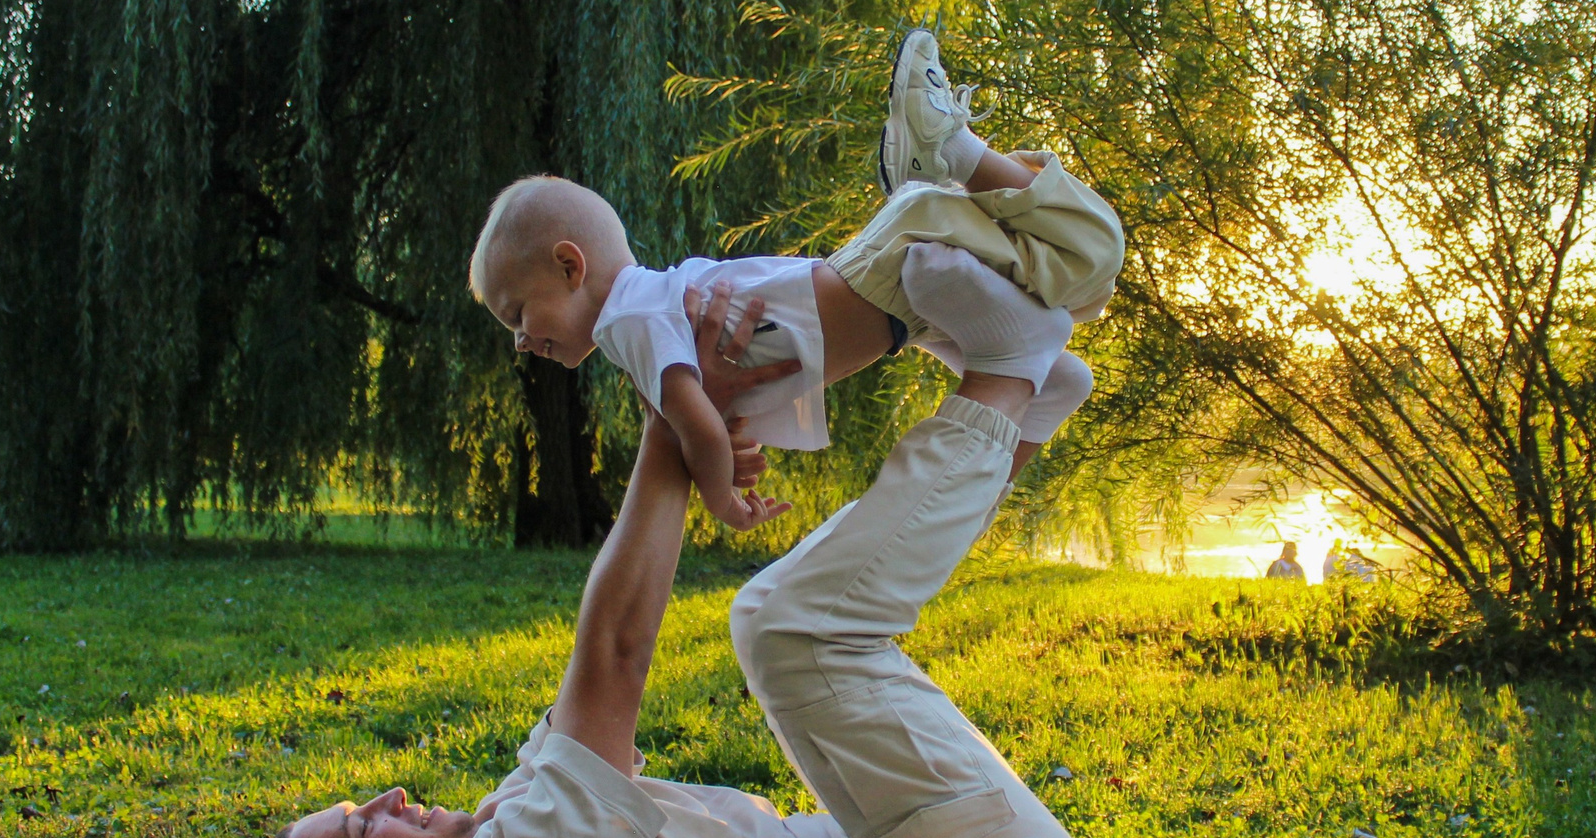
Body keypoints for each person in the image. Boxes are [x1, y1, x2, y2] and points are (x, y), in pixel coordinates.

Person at [245, 282, 1106, 838]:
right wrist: (672, 416)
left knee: (794, 624)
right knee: (784, 630)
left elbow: (581, 714)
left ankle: (1018, 404)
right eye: (367, 823)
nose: (394, 796)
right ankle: (1005, 370)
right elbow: (614, 656)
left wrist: (691, 404)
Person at [467, 29, 1123, 529]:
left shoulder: (627, 318)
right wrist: (728, 440)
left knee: (1095, 257)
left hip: (892, 269)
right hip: (905, 307)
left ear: (569, 266)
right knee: (1060, 373)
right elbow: (705, 409)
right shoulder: (646, 315)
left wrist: (719, 491)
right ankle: (973, 506)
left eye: (518, 315)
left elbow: (692, 419)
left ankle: (947, 151)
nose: (521, 342)